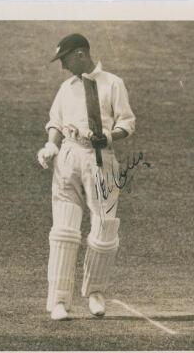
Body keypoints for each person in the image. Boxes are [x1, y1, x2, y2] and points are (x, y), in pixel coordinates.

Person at [37, 33, 136, 320]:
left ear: (80, 53)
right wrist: (51, 145)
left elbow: (127, 123)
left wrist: (108, 137)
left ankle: (95, 293)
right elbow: (55, 121)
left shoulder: (112, 84)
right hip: (68, 157)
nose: (63, 66)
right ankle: (58, 301)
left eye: (65, 59)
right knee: (64, 231)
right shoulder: (66, 88)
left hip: (100, 160)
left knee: (104, 228)